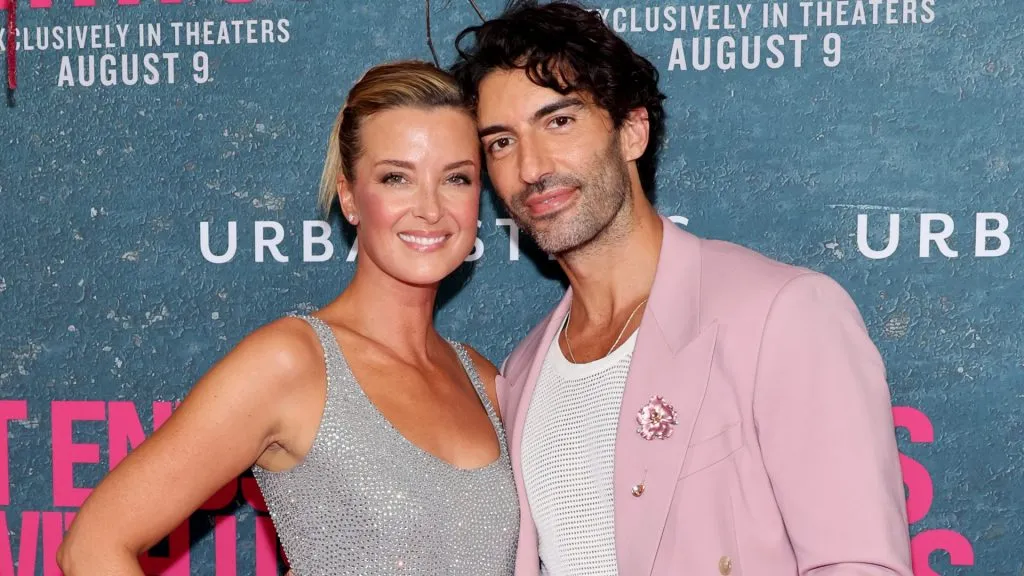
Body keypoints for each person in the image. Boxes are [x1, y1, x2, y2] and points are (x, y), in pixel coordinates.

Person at [450, 2, 913, 575]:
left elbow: (858, 563)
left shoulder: (781, 314)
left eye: (559, 121)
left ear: (631, 131)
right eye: (501, 142)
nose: (531, 166)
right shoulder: (522, 372)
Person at [57, 60, 519, 576]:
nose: (431, 209)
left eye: (456, 178)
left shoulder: (482, 380)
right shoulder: (292, 363)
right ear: (350, 197)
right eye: (397, 178)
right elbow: (92, 547)